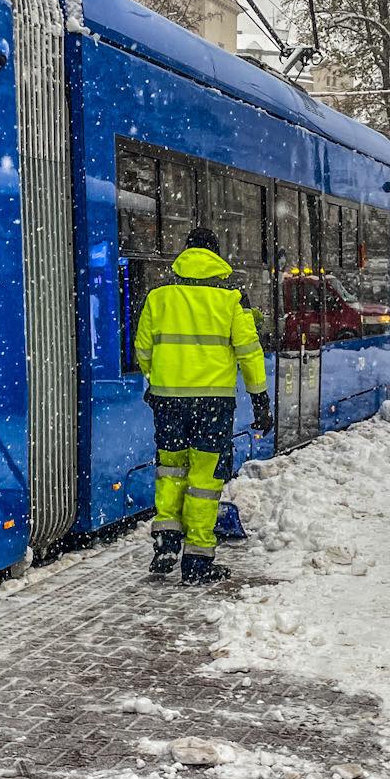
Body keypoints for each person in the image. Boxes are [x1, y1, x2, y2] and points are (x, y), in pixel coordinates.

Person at [134, 226, 272, 584]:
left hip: (167, 402)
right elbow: (250, 354)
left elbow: (143, 350)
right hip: (213, 403)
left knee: (170, 470)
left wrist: (160, 380)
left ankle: (166, 541)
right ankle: (197, 558)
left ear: (185, 254)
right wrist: (260, 400)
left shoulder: (159, 297)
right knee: (204, 480)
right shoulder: (231, 300)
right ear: (215, 257)